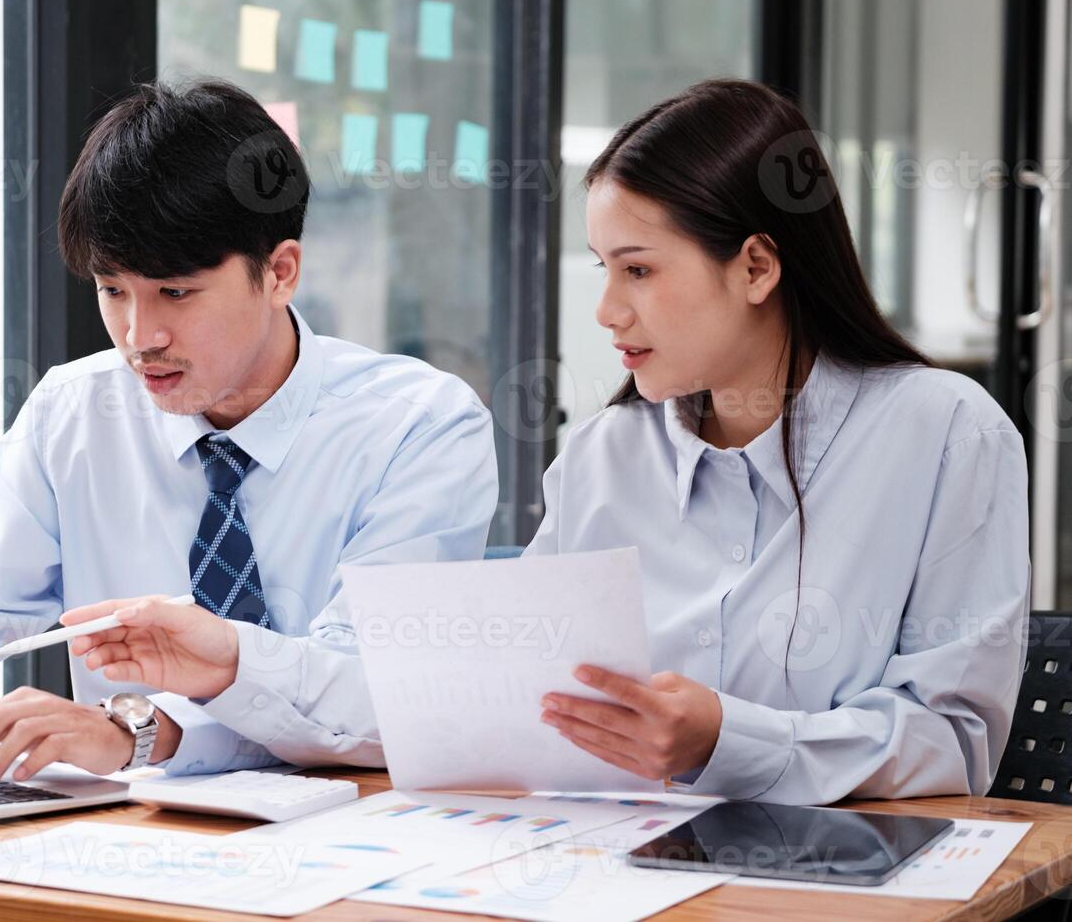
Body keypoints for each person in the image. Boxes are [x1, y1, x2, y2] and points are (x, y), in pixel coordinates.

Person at [68, 79, 1030, 806]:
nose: (608, 311)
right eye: (603, 268)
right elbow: (493, 703)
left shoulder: (943, 435)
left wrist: (726, 741)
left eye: (640, 271)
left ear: (757, 266)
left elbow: (956, 740)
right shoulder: (609, 456)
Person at [0, 78, 497, 783]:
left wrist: (137, 729)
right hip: (123, 840)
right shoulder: (75, 412)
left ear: (280, 272)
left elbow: (378, 691)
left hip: (353, 837)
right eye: (112, 290)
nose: (140, 337)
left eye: (175, 292)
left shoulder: (421, 428)